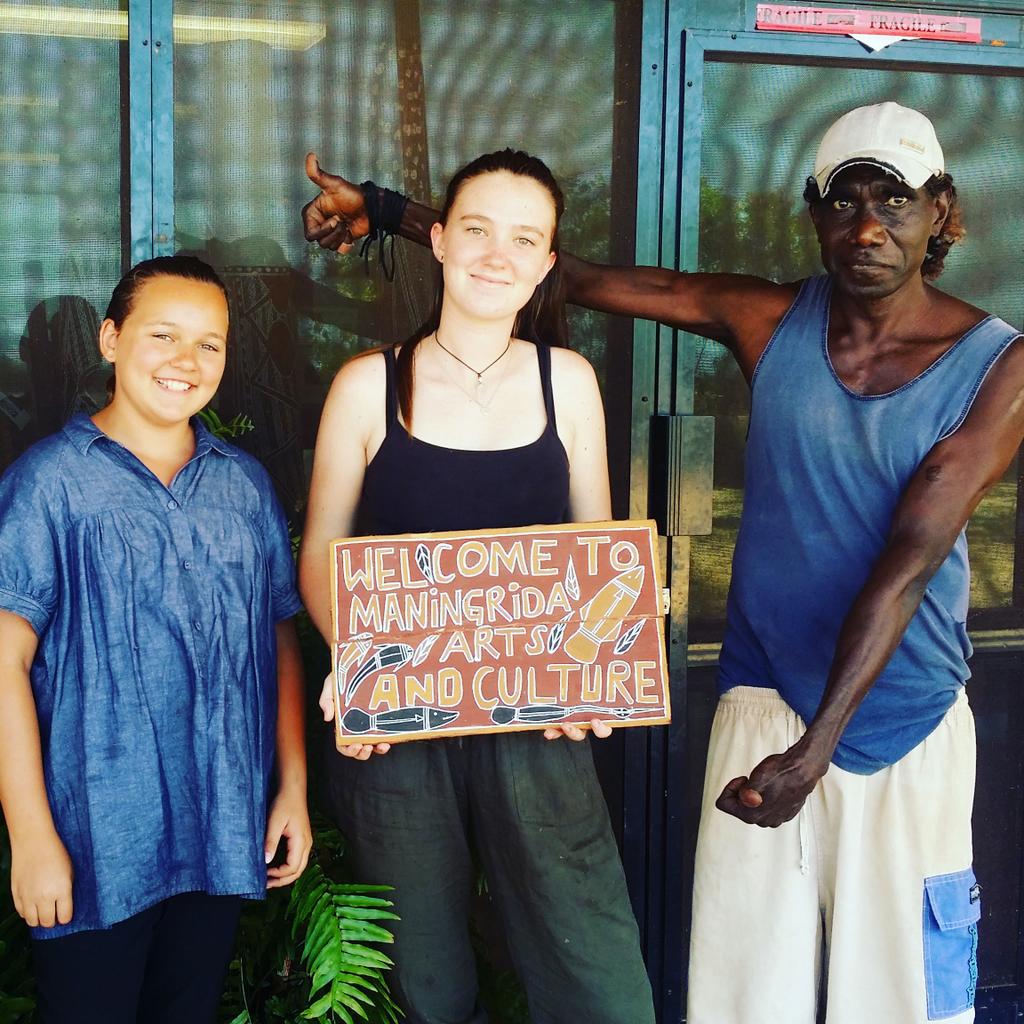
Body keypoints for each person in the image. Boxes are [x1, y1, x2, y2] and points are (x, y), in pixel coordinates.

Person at [301, 103, 1024, 1023]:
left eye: (897, 199)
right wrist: (386, 208)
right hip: (765, 701)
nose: (869, 226)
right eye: (846, 200)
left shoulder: (998, 365)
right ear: (815, 213)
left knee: (900, 994)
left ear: (942, 210)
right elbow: (566, 271)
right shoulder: (772, 319)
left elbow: (912, 560)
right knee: (748, 990)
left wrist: (816, 748)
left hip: (900, 719)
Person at [297, 149, 655, 1024]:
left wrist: (597, 673)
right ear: (440, 241)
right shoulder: (367, 385)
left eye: (524, 239)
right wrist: (358, 665)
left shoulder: (568, 383)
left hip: (540, 718)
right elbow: (321, 554)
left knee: (594, 971)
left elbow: (597, 557)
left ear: (545, 264)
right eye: (478, 229)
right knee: (423, 981)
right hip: (398, 724)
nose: (498, 255)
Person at [0, 255, 312, 1024]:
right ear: (111, 339)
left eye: (210, 343)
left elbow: (278, 640)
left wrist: (294, 788)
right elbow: (5, 661)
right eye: (163, 335)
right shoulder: (51, 483)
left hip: (219, 825)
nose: (187, 360)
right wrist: (31, 836)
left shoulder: (242, 484)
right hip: (94, 837)